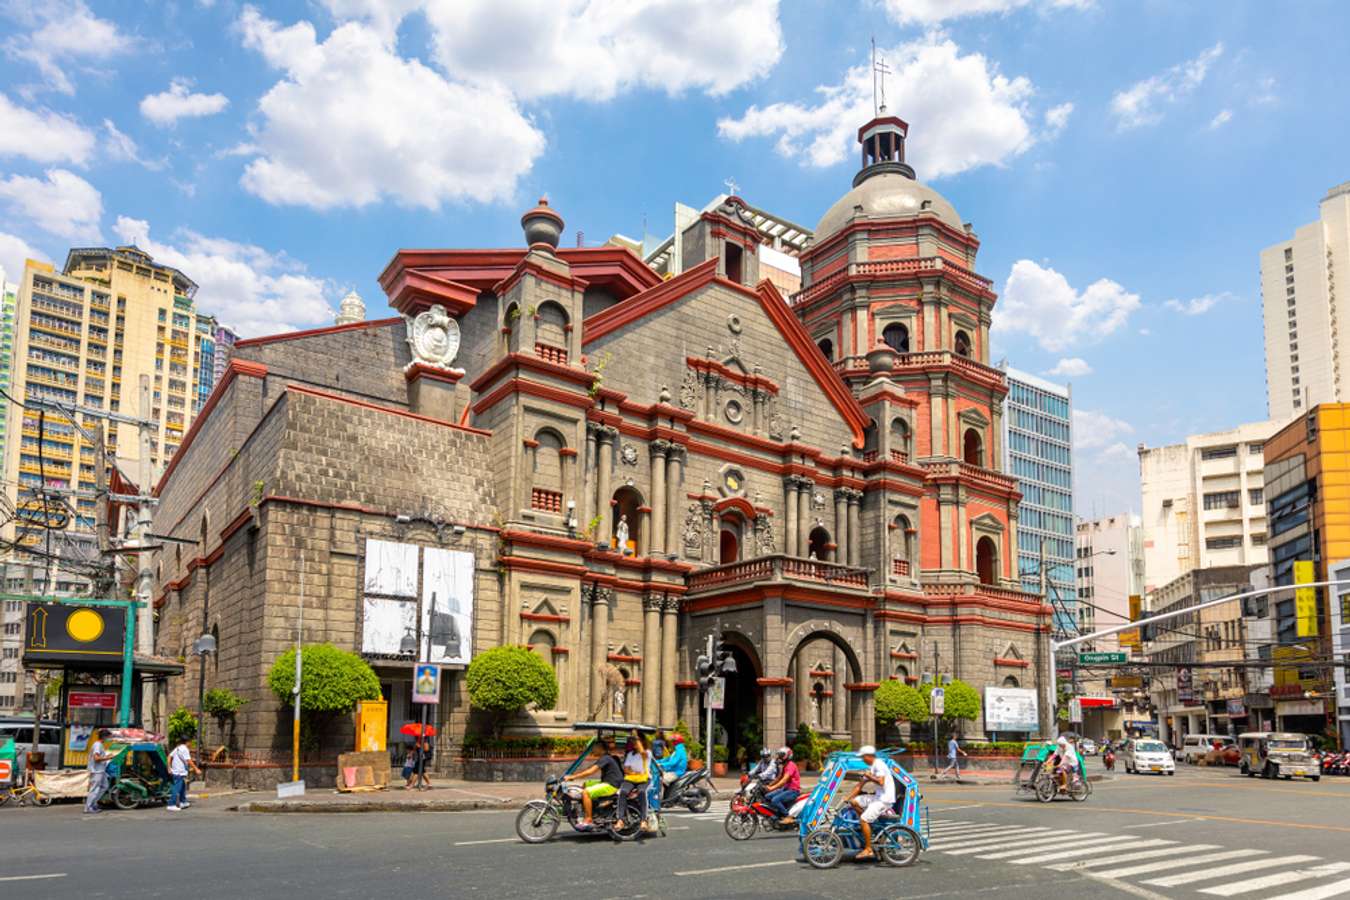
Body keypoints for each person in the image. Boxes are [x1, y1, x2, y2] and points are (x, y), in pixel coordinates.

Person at [848, 746, 896, 862]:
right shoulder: (871, 767)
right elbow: (860, 785)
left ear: (869, 756)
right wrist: (849, 797)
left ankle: (868, 848)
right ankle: (868, 826)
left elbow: (881, 781)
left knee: (864, 819)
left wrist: (869, 776)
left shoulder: (878, 764)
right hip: (877, 798)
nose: (862, 760)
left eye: (863, 757)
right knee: (854, 802)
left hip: (884, 800)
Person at [563, 738, 622, 829]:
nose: (593, 750)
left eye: (594, 748)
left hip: (611, 785)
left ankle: (588, 819)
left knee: (586, 792)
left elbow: (590, 771)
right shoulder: (605, 757)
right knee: (585, 784)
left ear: (600, 748)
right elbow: (590, 769)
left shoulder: (605, 758)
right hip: (608, 782)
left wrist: (573, 777)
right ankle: (592, 808)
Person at [616, 731, 650, 830]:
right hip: (631, 779)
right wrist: (634, 773)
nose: (634, 743)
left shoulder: (647, 753)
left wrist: (637, 738)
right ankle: (620, 819)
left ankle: (644, 820)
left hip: (643, 779)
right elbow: (626, 769)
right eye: (633, 741)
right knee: (623, 792)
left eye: (637, 741)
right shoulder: (631, 754)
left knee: (642, 792)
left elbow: (643, 753)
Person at [764, 746, 801, 823]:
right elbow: (779, 778)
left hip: (793, 790)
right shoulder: (785, 766)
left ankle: (787, 816)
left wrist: (772, 788)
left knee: (775, 800)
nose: (779, 757)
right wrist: (769, 785)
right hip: (786, 789)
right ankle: (777, 814)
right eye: (779, 755)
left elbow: (784, 780)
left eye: (781, 755)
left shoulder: (791, 765)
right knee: (767, 796)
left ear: (787, 756)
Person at [167, 735, 201, 811]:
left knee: (182, 786)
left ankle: (183, 802)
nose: (191, 743)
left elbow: (169, 757)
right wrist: (196, 769)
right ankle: (171, 804)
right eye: (190, 742)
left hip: (177, 771)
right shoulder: (185, 749)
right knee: (177, 788)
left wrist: (169, 768)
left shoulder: (177, 748)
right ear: (187, 742)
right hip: (179, 771)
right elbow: (189, 760)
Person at [84, 729, 113, 815]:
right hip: (96, 771)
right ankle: (88, 807)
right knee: (95, 789)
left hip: (101, 770)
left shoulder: (99, 745)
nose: (108, 739)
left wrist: (106, 756)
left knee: (105, 786)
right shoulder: (97, 745)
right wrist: (108, 758)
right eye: (108, 737)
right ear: (104, 737)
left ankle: (93, 803)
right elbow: (96, 758)